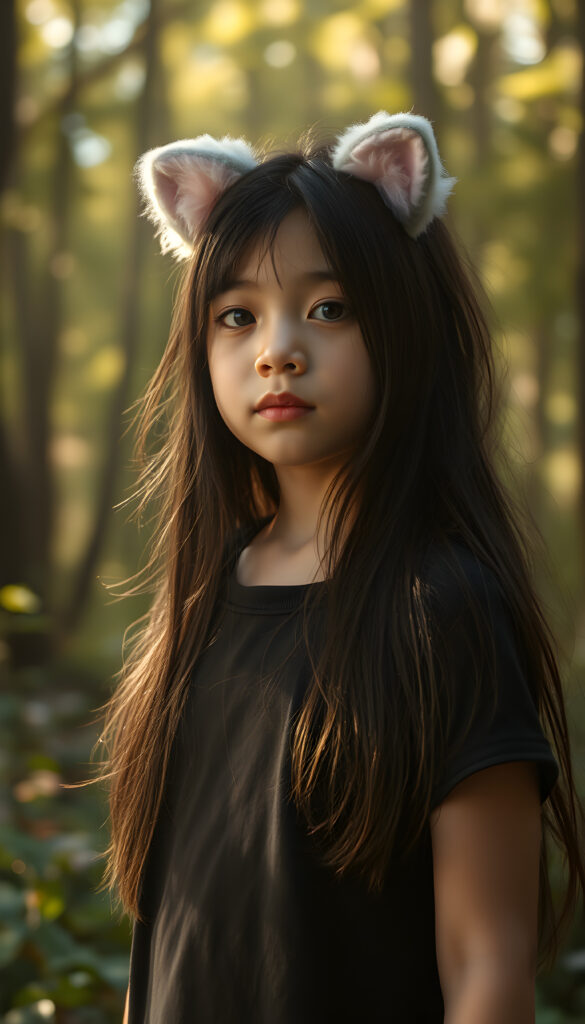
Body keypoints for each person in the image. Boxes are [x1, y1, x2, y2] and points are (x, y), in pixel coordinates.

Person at [101, 112, 584, 1023]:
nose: (277, 348)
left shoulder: (442, 607)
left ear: (401, 323)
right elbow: (165, 939)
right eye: (236, 316)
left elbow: (485, 965)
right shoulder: (201, 603)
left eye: (328, 308)